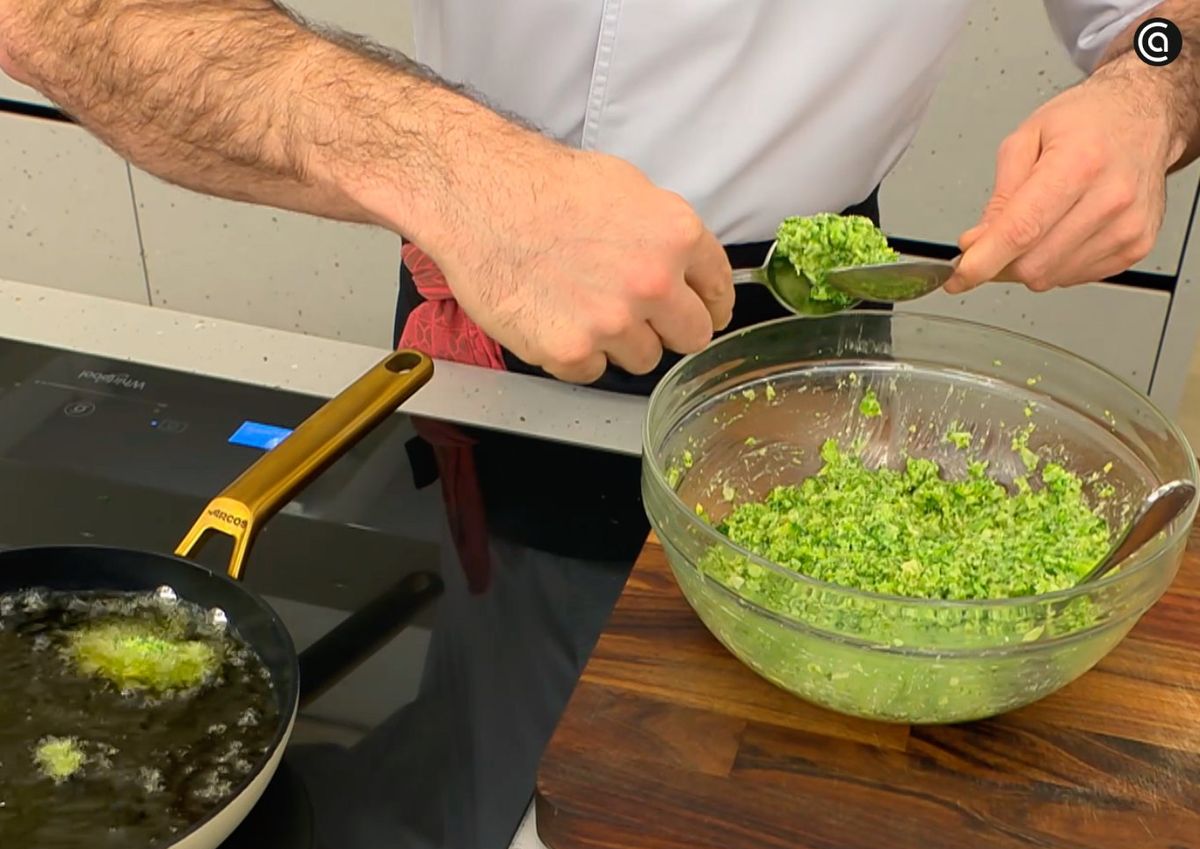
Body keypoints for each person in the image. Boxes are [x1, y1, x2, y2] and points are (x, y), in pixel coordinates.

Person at [1, 2, 1196, 394]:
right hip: (480, 259)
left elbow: (1161, 27)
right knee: (491, 713)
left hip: (806, 300)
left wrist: (1146, 91)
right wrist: (453, 171)